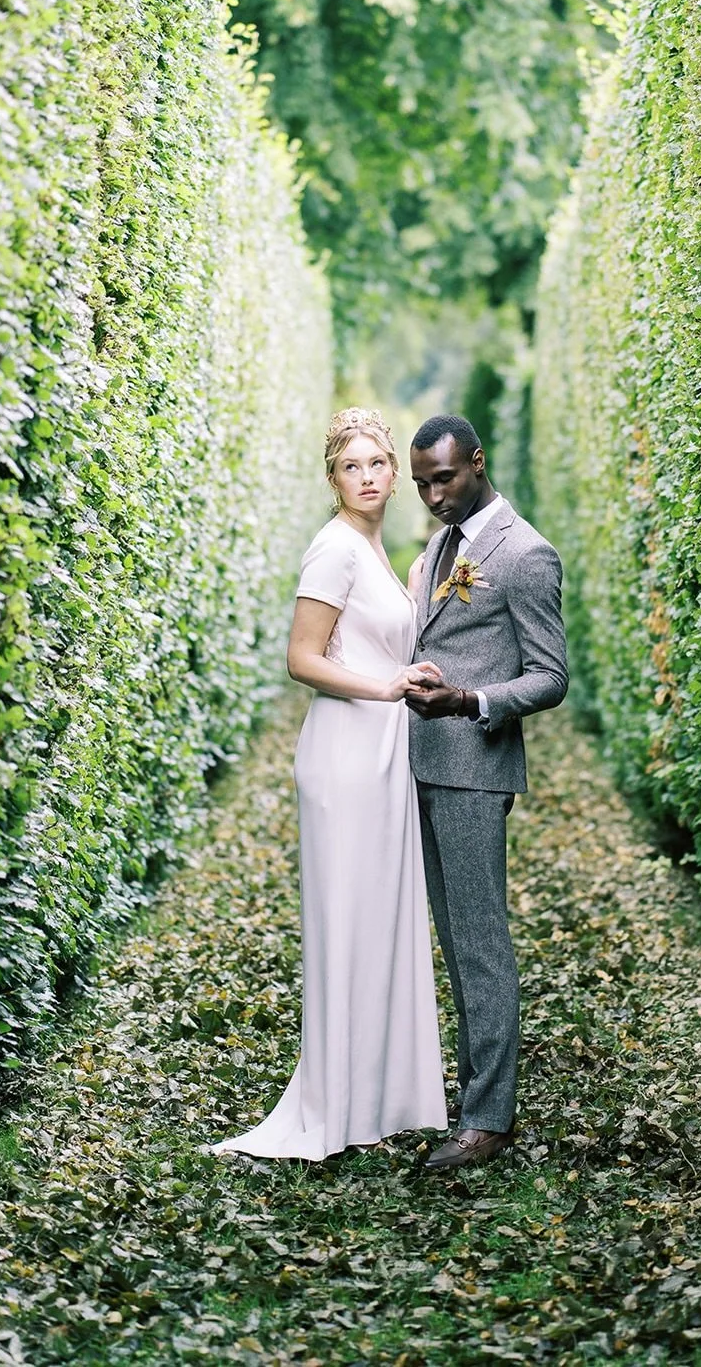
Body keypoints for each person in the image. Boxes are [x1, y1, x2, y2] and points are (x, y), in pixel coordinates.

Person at [210, 408, 448, 1159]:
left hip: (381, 753)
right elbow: (302, 658)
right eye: (351, 466)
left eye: (377, 462)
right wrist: (385, 688)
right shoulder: (333, 548)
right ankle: (335, 1105)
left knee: (378, 923)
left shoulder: (374, 550)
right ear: (333, 479)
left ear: (394, 473)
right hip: (345, 757)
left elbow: (377, 640)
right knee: (347, 924)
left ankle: (374, 1097)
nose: (367, 476)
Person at [405, 414, 568, 1170]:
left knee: (479, 944)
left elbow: (550, 677)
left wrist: (470, 700)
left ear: (477, 461)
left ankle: (488, 1120)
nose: (434, 496)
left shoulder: (526, 554)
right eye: (422, 485)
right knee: (451, 940)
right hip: (422, 763)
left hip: (474, 770)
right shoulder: (444, 543)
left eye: (444, 479)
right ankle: (472, 1095)